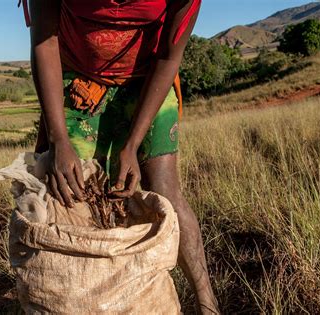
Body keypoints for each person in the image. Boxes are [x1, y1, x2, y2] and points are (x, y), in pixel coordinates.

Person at [20, 0, 219, 313]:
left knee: (165, 193)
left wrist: (132, 143)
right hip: (77, 81)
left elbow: (169, 56)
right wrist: (58, 139)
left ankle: (208, 303)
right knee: (64, 195)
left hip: (146, 82)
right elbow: (45, 41)